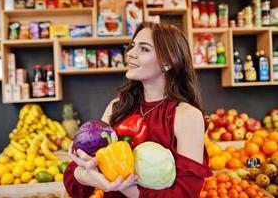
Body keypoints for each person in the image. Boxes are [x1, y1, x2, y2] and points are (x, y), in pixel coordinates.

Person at [63, 22, 212, 198]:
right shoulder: (117, 108)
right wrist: (90, 177)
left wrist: (123, 187)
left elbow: (186, 193)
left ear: (167, 63)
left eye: (144, 49)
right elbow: (74, 178)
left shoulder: (187, 116)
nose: (130, 53)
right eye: (133, 46)